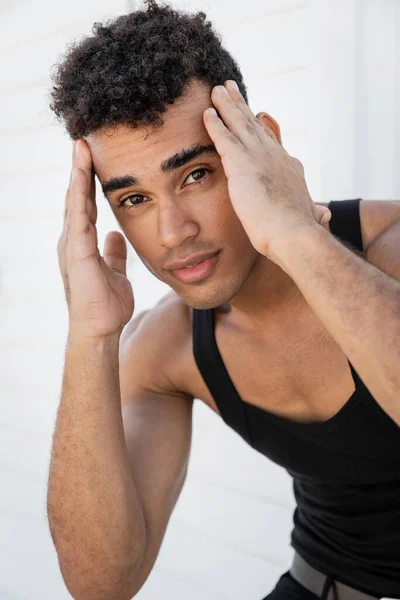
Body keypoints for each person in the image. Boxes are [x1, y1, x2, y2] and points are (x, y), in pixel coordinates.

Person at [46, 1, 400, 599]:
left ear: (262, 147)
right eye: (134, 199)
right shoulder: (166, 349)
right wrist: (91, 337)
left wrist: (293, 232)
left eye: (194, 176)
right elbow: (101, 582)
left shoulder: (388, 246)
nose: (173, 232)